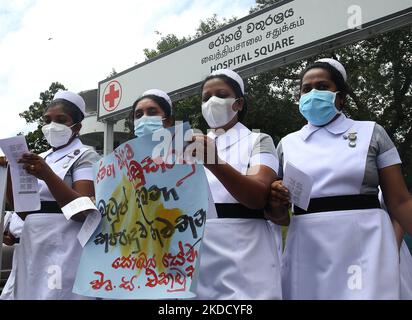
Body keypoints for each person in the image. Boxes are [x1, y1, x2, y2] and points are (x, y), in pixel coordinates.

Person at [271, 58, 412, 299]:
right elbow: (279, 217)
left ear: (341, 97)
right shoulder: (286, 144)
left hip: (366, 244)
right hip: (307, 249)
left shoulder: (372, 133)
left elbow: (399, 201)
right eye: (306, 89)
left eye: (322, 87)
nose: (313, 93)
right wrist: (275, 200)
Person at [188, 69, 287, 299]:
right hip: (199, 250)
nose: (212, 102)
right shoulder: (190, 146)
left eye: (221, 95)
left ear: (239, 104)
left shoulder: (258, 140)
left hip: (246, 249)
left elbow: (258, 195)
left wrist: (213, 162)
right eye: (205, 98)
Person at [1, 90, 100, 299]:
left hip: (65, 243)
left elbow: (82, 210)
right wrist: (10, 171)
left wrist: (47, 174)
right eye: (47, 120)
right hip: (33, 242)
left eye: (61, 120)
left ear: (77, 127)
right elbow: (24, 211)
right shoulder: (39, 157)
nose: (52, 125)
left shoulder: (85, 155)